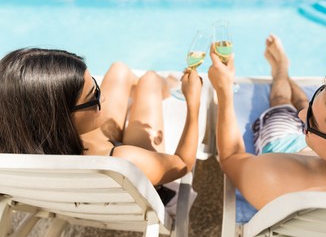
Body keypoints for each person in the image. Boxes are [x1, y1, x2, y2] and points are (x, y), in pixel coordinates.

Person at [208, 34, 326, 210]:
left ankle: (281, 71)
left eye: (312, 122)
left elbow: (231, 157)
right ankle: (286, 74)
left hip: (284, 143)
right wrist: (315, 123)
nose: (301, 115)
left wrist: (224, 91)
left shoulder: (276, 178)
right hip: (323, 143)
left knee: (281, 103)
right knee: (310, 108)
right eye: (318, 93)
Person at [0, 48, 202, 190]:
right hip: (122, 174)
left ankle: (156, 84)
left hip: (82, 148)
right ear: (63, 117)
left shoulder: (19, 144)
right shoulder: (126, 161)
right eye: (93, 96)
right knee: (150, 80)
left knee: (119, 69)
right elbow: (182, 163)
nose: (102, 97)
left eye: (97, 87)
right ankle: (165, 85)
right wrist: (194, 104)